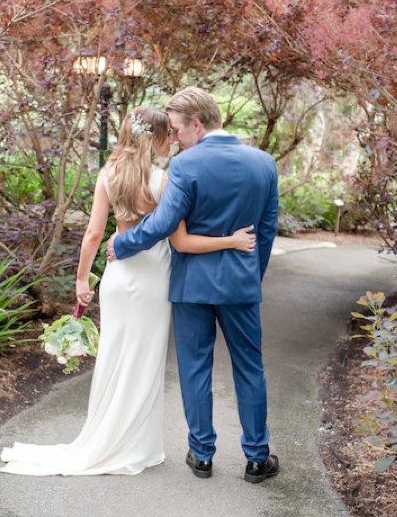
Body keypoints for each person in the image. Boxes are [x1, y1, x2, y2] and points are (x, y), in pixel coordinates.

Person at [0, 105, 255, 476]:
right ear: (155, 137)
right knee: (145, 360)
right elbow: (180, 241)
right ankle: (134, 445)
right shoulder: (165, 180)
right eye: (168, 133)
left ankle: (106, 437)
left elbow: (93, 234)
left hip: (118, 278)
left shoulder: (109, 173)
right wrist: (230, 241)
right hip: (153, 278)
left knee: (114, 357)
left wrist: (82, 280)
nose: (172, 139)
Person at [108, 86, 279, 483]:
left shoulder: (185, 166)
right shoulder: (263, 163)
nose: (174, 138)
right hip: (241, 284)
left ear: (197, 125)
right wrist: (253, 274)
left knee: (195, 368)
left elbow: (166, 224)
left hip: (192, 286)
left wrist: (123, 243)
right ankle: (257, 458)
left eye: (177, 129)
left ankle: (202, 454)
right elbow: (267, 230)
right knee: (250, 368)